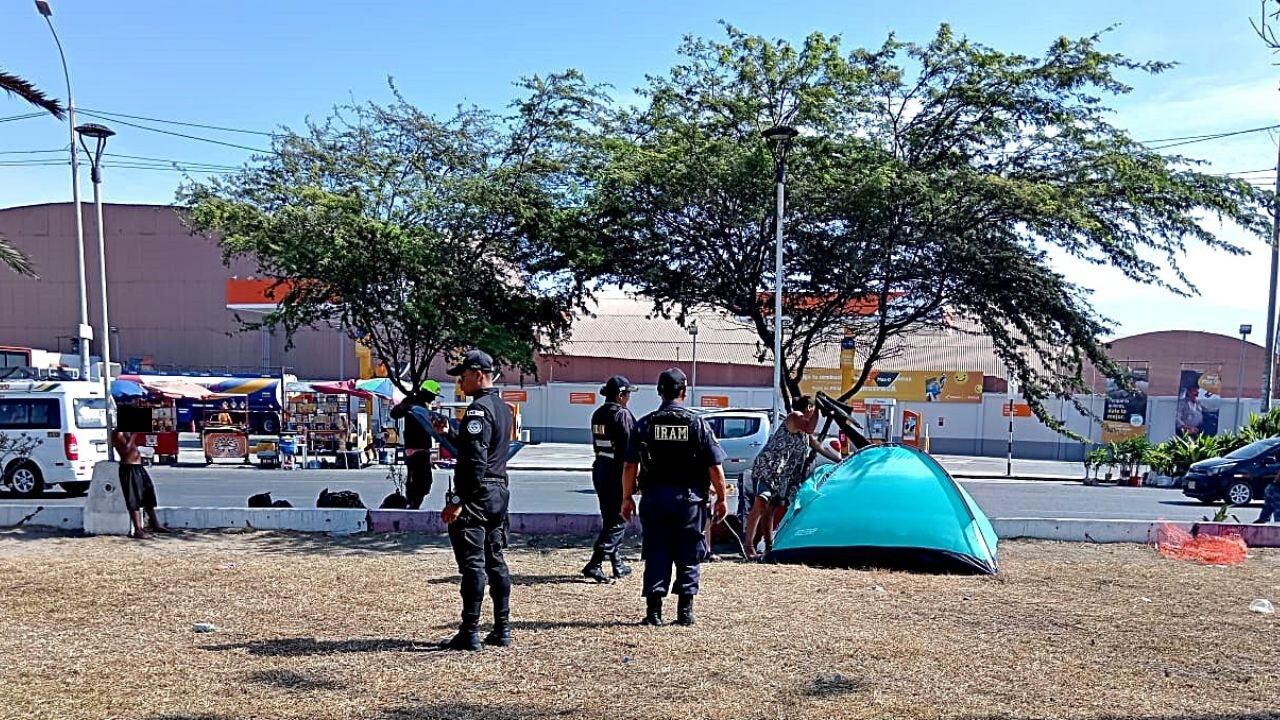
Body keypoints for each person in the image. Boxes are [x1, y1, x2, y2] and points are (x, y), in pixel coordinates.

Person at [622, 368, 728, 627]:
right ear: (684, 391)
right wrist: (722, 498)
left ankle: (654, 612)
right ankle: (685, 612)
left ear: (659, 391)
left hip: (655, 499)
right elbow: (714, 467)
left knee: (657, 551)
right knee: (688, 553)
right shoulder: (697, 424)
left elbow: (630, 466)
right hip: (689, 502)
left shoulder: (645, 424)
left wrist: (626, 497)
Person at [430, 349, 513, 651]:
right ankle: (502, 628)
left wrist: (457, 499)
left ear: (478, 374)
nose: (459, 383)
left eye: (463, 376)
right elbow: (479, 450)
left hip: (477, 495)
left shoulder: (478, 410)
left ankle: (470, 631)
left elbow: (475, 462)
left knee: (473, 566)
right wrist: (450, 432)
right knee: (495, 561)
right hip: (498, 492)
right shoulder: (502, 408)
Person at [743, 396, 841, 559]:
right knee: (761, 503)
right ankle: (748, 546)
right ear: (808, 407)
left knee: (770, 509)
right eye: (813, 408)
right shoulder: (795, 417)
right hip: (769, 468)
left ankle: (769, 546)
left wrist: (839, 460)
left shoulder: (803, 430)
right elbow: (810, 428)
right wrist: (819, 408)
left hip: (783, 475)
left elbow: (819, 447)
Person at [582, 375, 637, 583]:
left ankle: (617, 563)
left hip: (601, 469)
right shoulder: (622, 415)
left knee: (609, 518)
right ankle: (595, 563)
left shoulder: (597, 414)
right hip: (617, 473)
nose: (629, 398)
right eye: (627, 394)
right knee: (619, 519)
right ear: (620, 395)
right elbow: (631, 449)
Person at [111, 427, 171, 539]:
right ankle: (138, 529)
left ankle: (154, 523)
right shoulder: (118, 433)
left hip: (137, 466)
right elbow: (126, 449)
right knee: (134, 498)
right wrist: (134, 434)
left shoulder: (126, 432)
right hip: (129, 468)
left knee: (148, 494)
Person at [390, 379, 442, 509]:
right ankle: (412, 505)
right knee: (421, 480)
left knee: (421, 480)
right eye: (433, 396)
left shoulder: (423, 405)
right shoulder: (413, 402)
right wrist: (403, 406)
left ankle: (413, 504)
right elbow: (394, 414)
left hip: (421, 447)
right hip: (416, 448)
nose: (434, 399)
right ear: (426, 393)